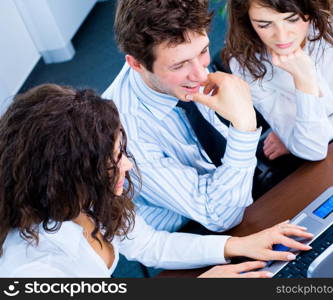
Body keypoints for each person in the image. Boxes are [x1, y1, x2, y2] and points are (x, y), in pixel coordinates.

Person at [0, 84, 313, 277]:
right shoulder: (33, 268)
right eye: (113, 160)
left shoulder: (88, 201)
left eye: (122, 151)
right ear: (70, 176)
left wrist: (239, 245)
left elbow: (150, 244)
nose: (127, 164)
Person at [103, 0, 262, 233]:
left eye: (203, 51)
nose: (199, 74)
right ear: (136, 64)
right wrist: (245, 127)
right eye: (179, 65)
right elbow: (218, 216)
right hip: (191, 227)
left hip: (229, 182)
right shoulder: (124, 134)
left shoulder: (183, 67)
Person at [224, 0, 333, 161]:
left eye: (292, 19)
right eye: (264, 24)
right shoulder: (245, 63)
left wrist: (307, 134)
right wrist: (304, 80)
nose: (282, 37)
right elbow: (311, 149)